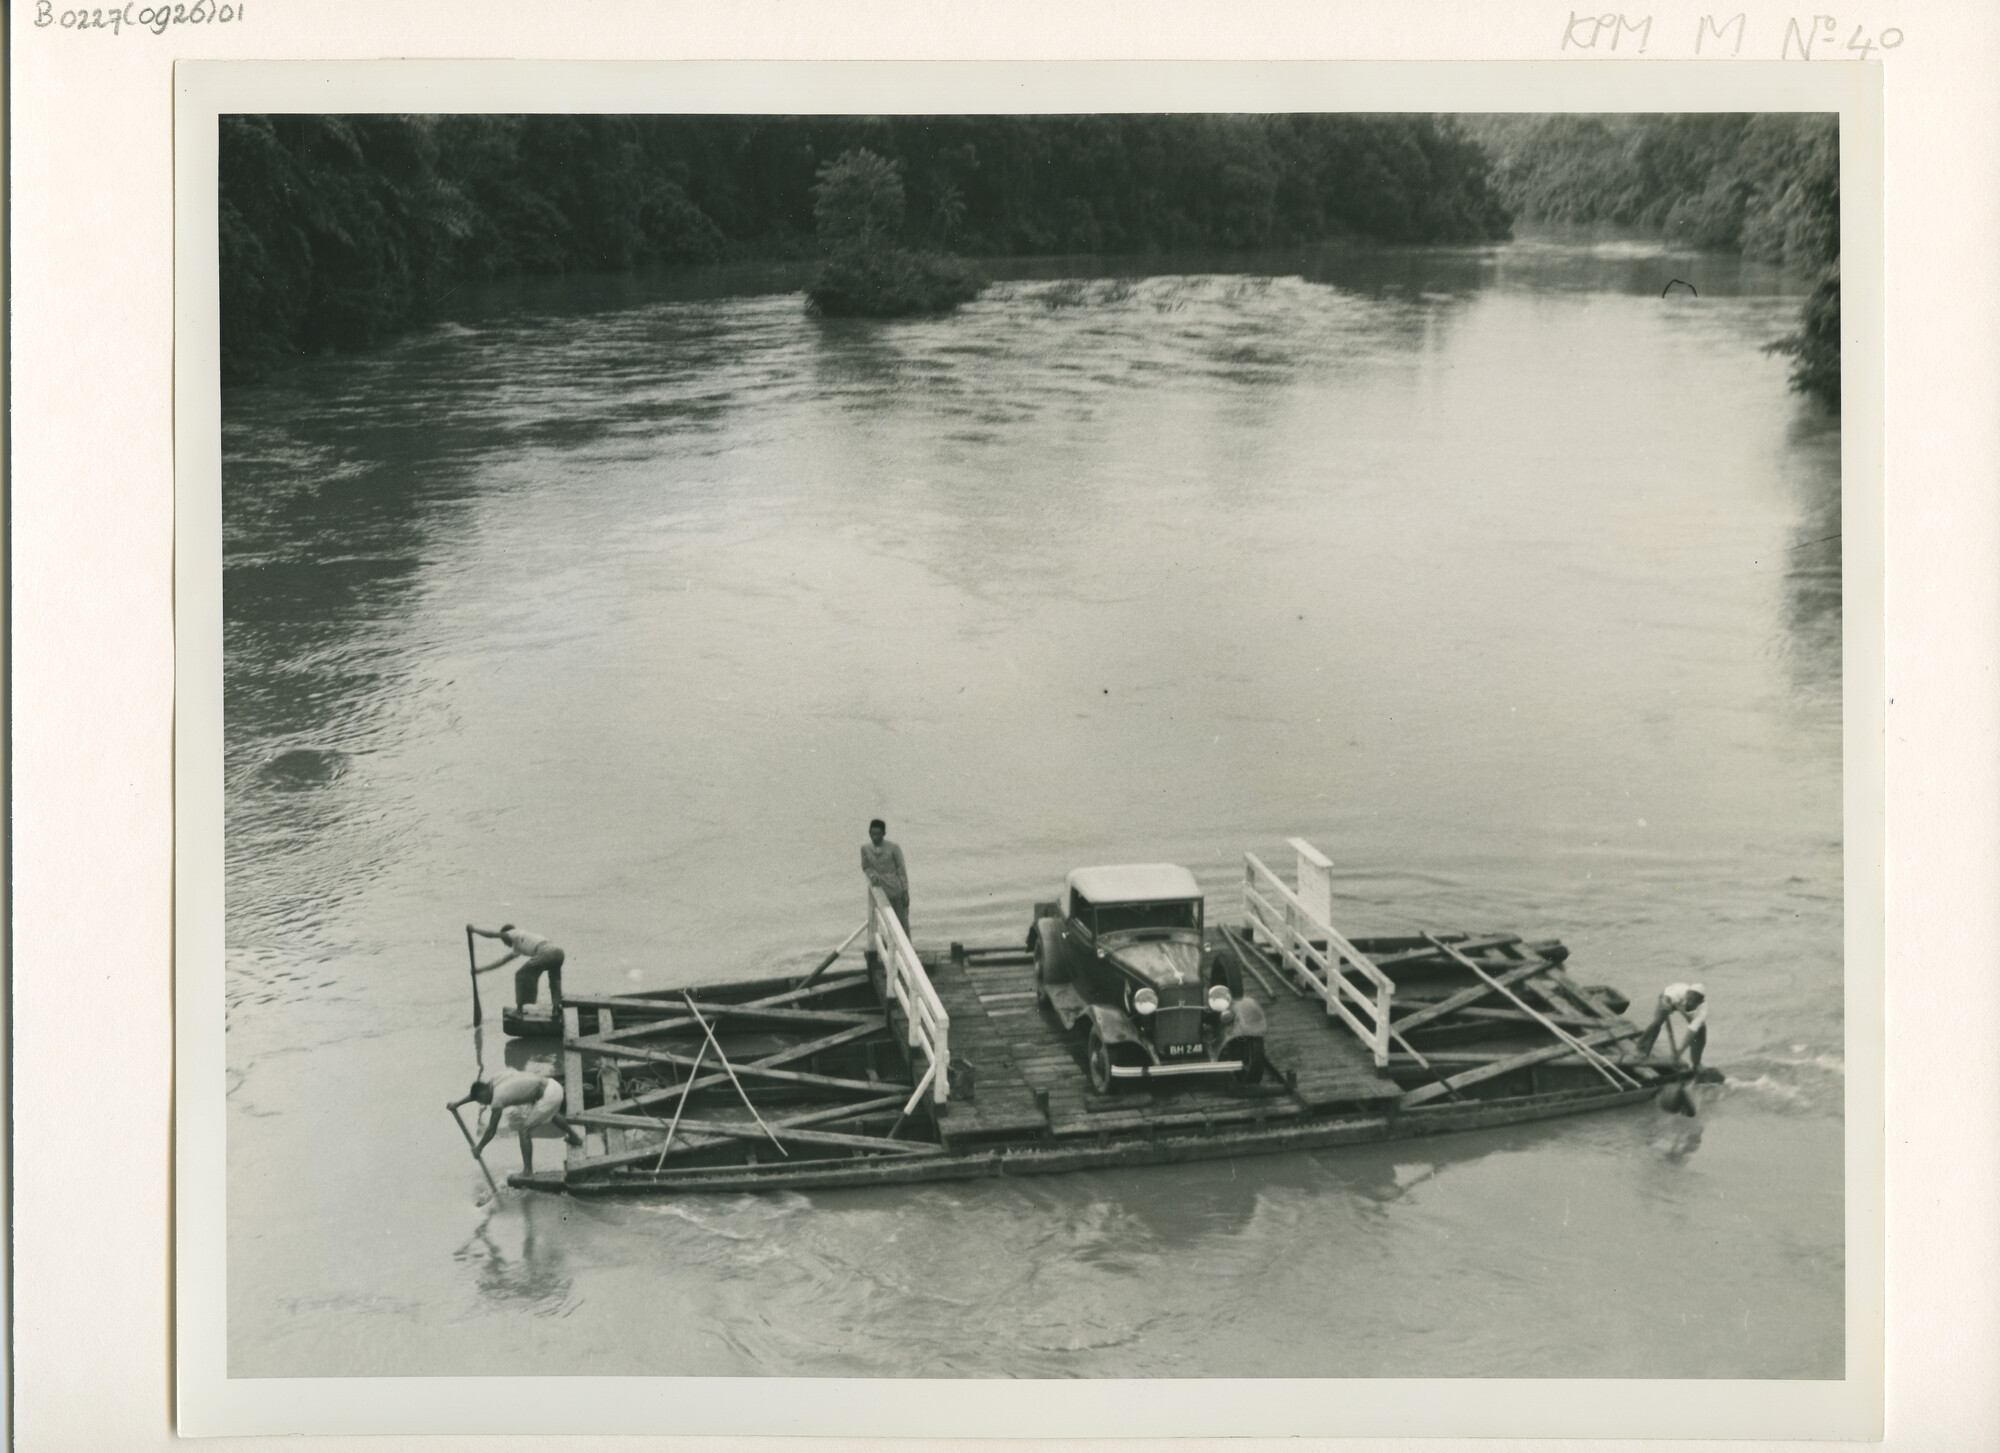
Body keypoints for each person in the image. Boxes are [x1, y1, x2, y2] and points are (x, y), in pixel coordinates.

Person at [449, 1071, 583, 1175]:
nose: (486, 1104)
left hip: (549, 1096)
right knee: (551, 1114)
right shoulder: (495, 1080)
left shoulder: (497, 1098)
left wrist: (479, 1147)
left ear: (484, 1095)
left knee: (524, 1130)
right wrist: (458, 1103)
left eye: (483, 1101)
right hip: (553, 1085)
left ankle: (527, 1172)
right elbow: (475, 1094)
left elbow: (491, 1130)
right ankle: (575, 1137)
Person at [468, 923, 566, 1019]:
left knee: (521, 975)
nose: (505, 944)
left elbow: (492, 935)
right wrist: (480, 970)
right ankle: (556, 1010)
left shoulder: (513, 933)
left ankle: (519, 1011)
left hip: (546, 952)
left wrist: (474, 930)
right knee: (555, 981)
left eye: (504, 941)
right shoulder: (519, 944)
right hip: (559, 953)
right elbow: (502, 961)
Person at [1633, 981, 1707, 1069]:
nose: (1690, 1003)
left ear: (1700, 1002)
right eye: (1689, 1000)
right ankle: (1642, 1049)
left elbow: (1691, 1032)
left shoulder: (1702, 1010)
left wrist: (1680, 1051)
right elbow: (1665, 999)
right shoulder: (1678, 991)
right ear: (1687, 994)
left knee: (1701, 1029)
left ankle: (1696, 1062)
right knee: (1658, 1021)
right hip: (1669, 999)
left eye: (1693, 1003)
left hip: (1685, 1007)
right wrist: (1666, 1006)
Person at [861, 819, 910, 935]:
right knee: (885, 921)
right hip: (880, 889)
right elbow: (866, 867)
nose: (875, 837)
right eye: (872, 834)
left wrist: (905, 892)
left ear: (884, 834)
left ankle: (906, 949)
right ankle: (890, 948)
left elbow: (901, 869)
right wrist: (872, 875)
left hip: (895, 889)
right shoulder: (865, 849)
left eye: (878, 834)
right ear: (869, 833)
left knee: (901, 921)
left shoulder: (893, 848)